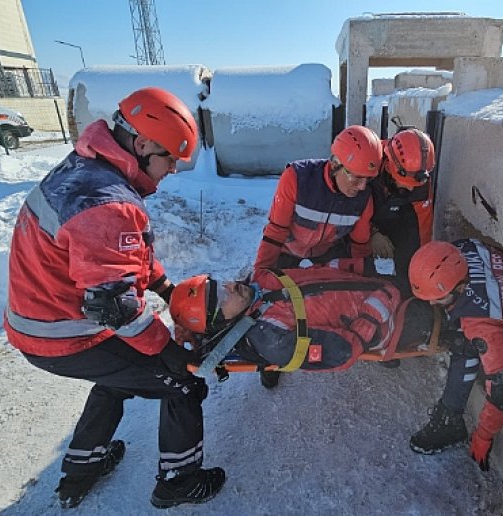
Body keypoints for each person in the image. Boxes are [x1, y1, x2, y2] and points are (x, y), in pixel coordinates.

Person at [3, 87, 225, 509]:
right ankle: (178, 481)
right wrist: (167, 351)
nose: (174, 169)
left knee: (116, 378)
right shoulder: (108, 203)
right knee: (181, 384)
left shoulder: (84, 169)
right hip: (65, 335)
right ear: (141, 144)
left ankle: (81, 471)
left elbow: (123, 256)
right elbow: (114, 306)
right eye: (170, 158)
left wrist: (164, 289)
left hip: (40, 324)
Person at [252, 124, 383, 387]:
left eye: (367, 180)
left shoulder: (363, 198)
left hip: (328, 250)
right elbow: (276, 230)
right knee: (269, 303)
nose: (361, 186)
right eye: (356, 177)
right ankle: (267, 361)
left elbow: (359, 244)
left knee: (327, 300)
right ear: (335, 164)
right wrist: (261, 272)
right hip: (289, 248)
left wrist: (362, 279)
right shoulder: (297, 178)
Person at [407, 239, 503, 471]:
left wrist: (483, 436)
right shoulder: (462, 249)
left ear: (460, 288)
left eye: (438, 298)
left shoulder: (481, 324)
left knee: (464, 345)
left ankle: (450, 423)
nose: (433, 301)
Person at [168, 265, 424, 374]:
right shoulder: (273, 339)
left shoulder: (260, 281)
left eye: (220, 285)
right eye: (222, 298)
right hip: (390, 320)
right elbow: (343, 350)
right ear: (221, 323)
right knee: (444, 319)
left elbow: (318, 273)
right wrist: (373, 314)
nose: (231, 286)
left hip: (380, 286)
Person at [370, 127, 436, 298]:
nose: (409, 188)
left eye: (414, 185)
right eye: (404, 182)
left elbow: (421, 233)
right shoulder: (368, 163)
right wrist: (371, 233)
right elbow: (344, 208)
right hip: (357, 226)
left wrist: (420, 278)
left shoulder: (420, 187)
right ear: (388, 165)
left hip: (391, 222)